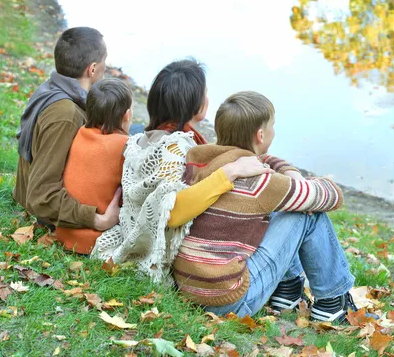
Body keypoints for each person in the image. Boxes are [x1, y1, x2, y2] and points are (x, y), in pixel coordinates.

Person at [173, 91, 357, 322]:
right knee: (308, 214)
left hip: (190, 288)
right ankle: (333, 303)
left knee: (287, 202)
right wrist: (307, 180)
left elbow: (263, 159)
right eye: (273, 126)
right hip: (230, 302)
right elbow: (330, 196)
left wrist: (287, 171)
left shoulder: (199, 161)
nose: (275, 131)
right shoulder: (259, 183)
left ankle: (287, 292)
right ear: (261, 135)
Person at [91, 60, 273, 281]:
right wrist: (230, 172)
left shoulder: (138, 141)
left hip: (137, 238)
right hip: (168, 259)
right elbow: (171, 210)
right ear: (195, 105)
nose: (207, 98)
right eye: (204, 93)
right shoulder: (177, 148)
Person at [14, 27, 121, 233]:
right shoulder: (65, 115)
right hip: (49, 215)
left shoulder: (52, 86)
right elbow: (41, 195)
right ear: (92, 69)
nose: (105, 67)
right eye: (104, 62)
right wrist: (98, 220)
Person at [57, 78, 133, 254]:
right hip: (94, 241)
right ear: (126, 116)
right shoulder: (125, 146)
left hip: (64, 232)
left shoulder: (79, 133)